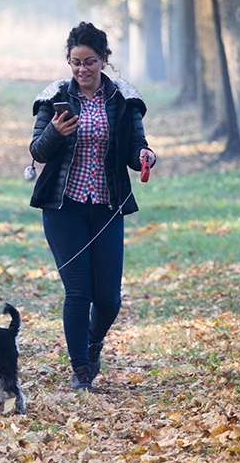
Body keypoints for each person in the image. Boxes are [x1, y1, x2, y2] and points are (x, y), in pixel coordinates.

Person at [28, 22, 156, 391]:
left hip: (106, 206)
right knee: (78, 291)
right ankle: (81, 370)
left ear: (104, 59)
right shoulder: (55, 98)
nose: (82, 70)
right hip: (62, 207)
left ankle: (93, 341)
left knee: (108, 299)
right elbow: (37, 151)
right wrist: (55, 132)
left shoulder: (123, 99)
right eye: (74, 62)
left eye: (89, 62)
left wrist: (145, 155)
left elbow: (135, 148)